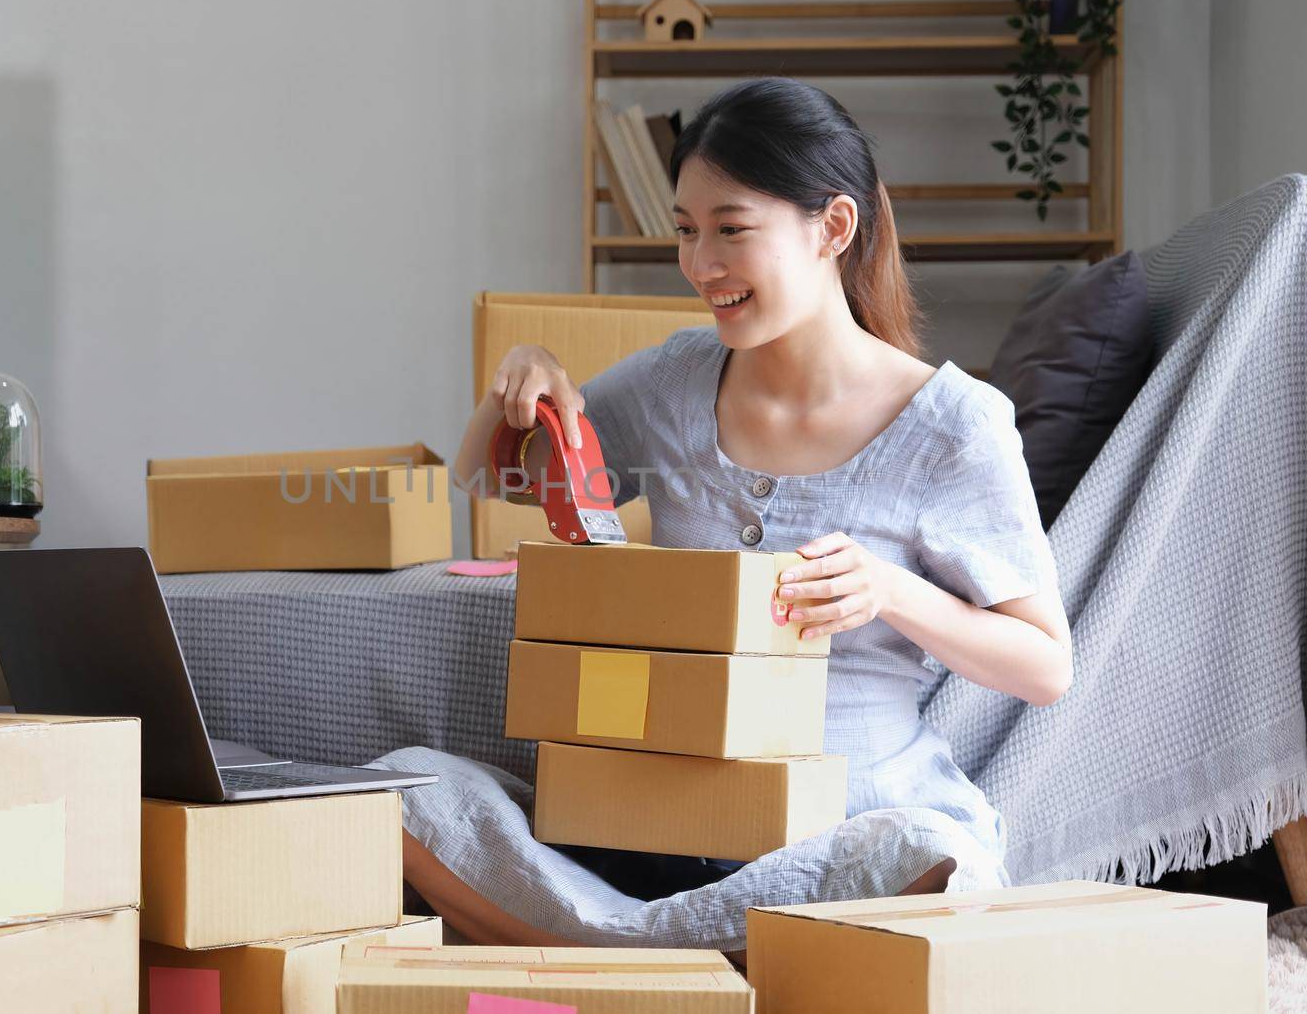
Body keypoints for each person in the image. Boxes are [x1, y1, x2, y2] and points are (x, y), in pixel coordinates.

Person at [376, 76, 1071, 949]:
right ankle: (686, 948)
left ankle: (620, 952)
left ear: (835, 227)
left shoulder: (953, 428)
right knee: (403, 788)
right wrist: (522, 376)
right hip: (647, 828)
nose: (702, 263)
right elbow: (492, 479)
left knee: (927, 852)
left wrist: (889, 591)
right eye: (686, 230)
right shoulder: (675, 380)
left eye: (732, 229)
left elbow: (1046, 667)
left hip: (840, 835)